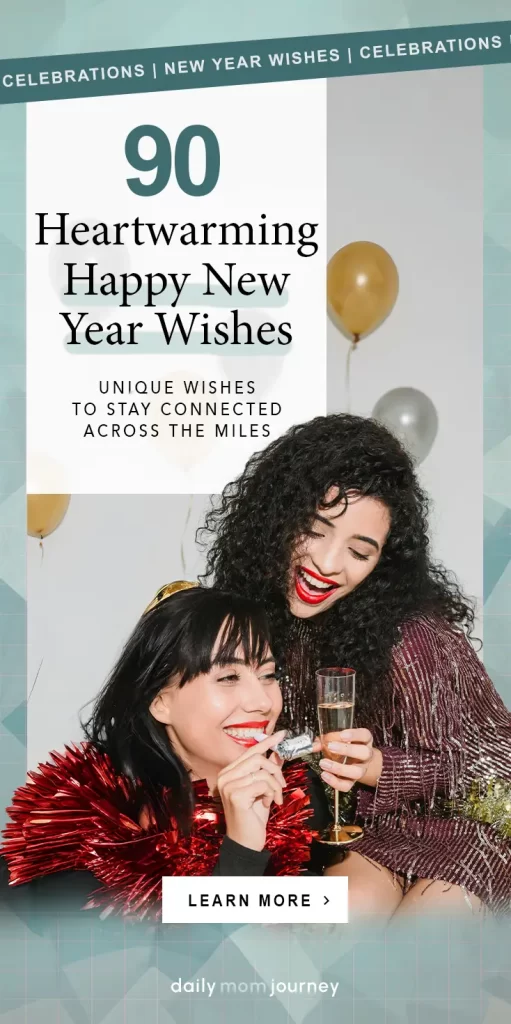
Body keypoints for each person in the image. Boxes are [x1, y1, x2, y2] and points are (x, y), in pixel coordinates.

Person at [201, 413, 511, 918]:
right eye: (314, 530)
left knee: (424, 935)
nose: (327, 563)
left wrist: (378, 767)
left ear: (382, 563)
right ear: (277, 517)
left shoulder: (412, 636)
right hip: (367, 833)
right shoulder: (250, 624)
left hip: (466, 826)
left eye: (359, 551)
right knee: (342, 920)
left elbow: (491, 762)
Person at [1, 584, 335, 919]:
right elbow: (157, 969)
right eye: (229, 677)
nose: (263, 702)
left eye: (267, 675)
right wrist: (242, 850)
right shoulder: (87, 833)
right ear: (160, 702)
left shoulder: (298, 800)